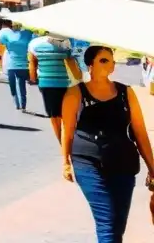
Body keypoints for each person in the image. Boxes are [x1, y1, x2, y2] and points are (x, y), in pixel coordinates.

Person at [61, 45, 154, 243]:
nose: (110, 65)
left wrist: (153, 168)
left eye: (111, 61)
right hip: (88, 163)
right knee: (108, 223)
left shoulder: (125, 93)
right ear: (89, 65)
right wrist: (66, 162)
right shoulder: (75, 93)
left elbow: (140, 132)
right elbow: (66, 131)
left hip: (124, 164)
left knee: (118, 224)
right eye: (103, 60)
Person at [29, 32, 82, 143]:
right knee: (66, 115)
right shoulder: (64, 44)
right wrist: (79, 78)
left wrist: (33, 77)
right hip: (64, 83)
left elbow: (32, 62)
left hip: (46, 84)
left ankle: (62, 142)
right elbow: (71, 63)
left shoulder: (34, 44)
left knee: (54, 116)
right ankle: (68, 141)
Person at [0, 20, 33, 112]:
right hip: (18, 65)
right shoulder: (26, 34)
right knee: (19, 85)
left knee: (16, 86)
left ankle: (20, 104)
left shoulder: (9, 35)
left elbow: (0, 40)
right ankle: (20, 104)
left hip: (16, 65)